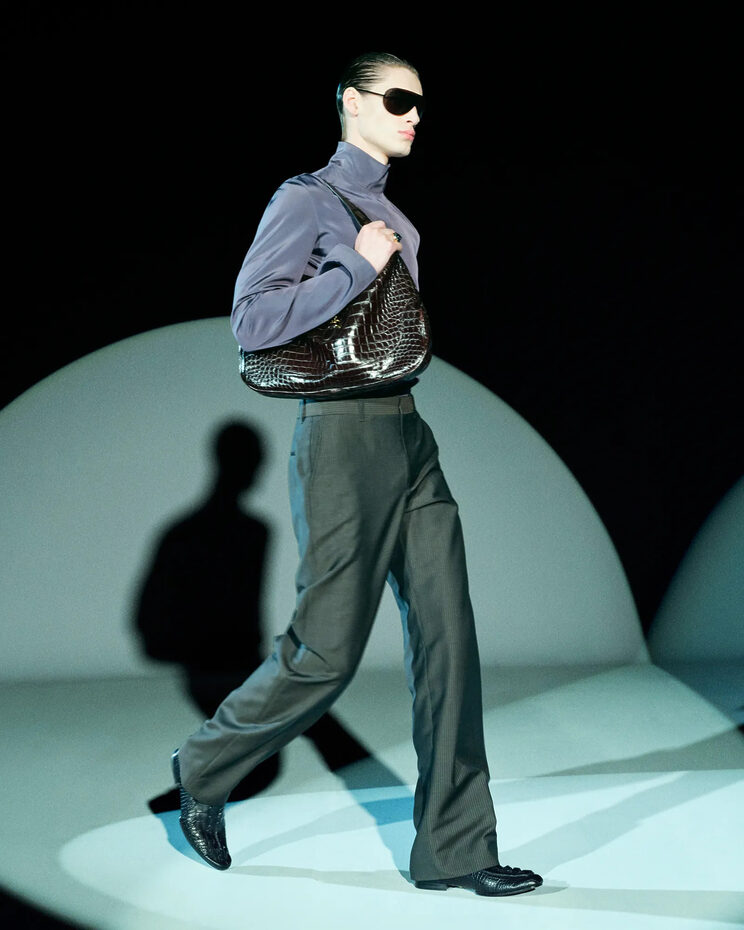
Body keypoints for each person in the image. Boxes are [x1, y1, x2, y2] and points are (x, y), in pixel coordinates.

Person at [171, 51, 543, 897]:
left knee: (450, 640)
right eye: (399, 98)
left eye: (422, 103)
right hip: (342, 439)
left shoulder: (394, 212)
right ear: (351, 102)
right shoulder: (305, 199)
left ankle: (456, 848)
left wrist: (375, 257)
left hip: (410, 433)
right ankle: (203, 767)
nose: (415, 115)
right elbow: (252, 321)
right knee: (327, 651)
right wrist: (356, 267)